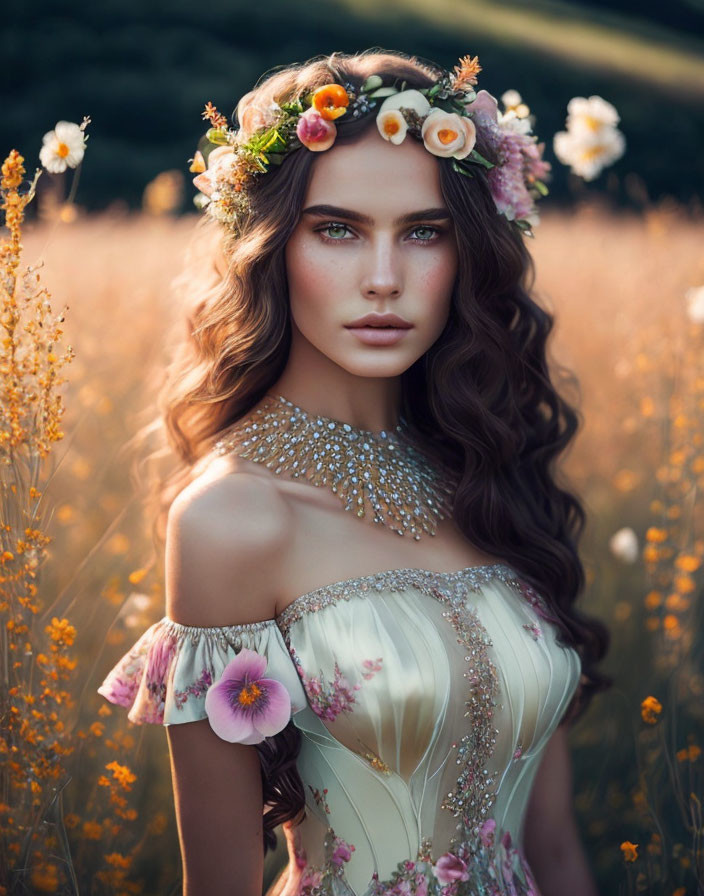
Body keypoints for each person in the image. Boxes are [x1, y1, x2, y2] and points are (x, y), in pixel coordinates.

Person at [98, 48, 610, 896]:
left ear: (469, 253)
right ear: (270, 248)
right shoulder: (231, 521)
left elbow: (553, 847)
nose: (384, 280)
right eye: (337, 229)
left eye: (423, 232)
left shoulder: (490, 472)